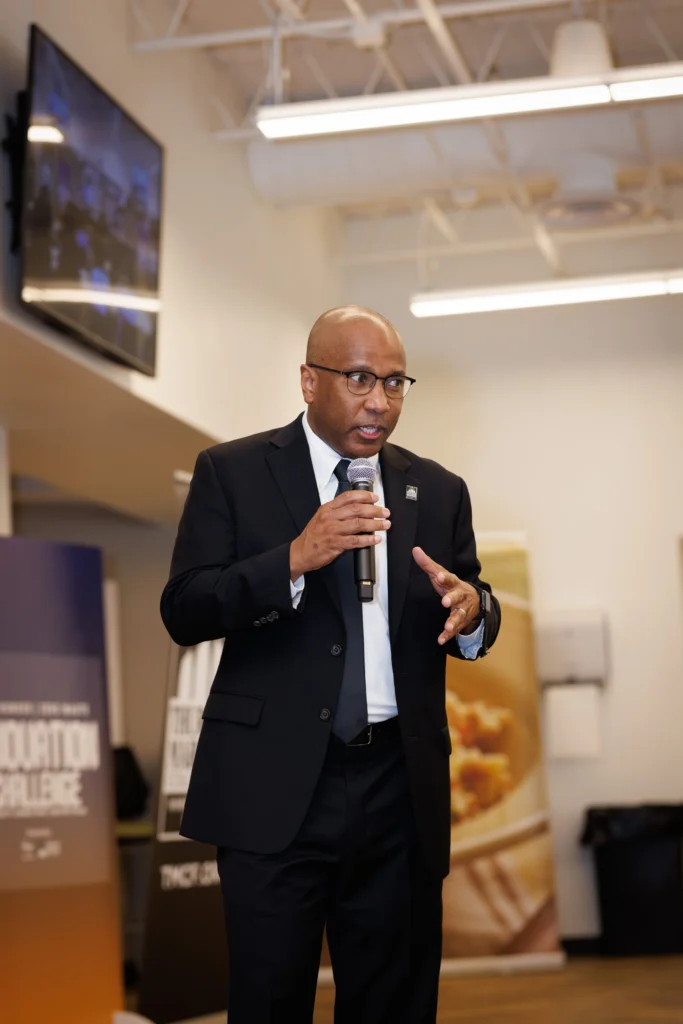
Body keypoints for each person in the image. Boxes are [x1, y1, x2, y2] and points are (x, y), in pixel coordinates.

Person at [161, 306, 501, 1024]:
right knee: (268, 1001)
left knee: (393, 1003)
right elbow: (184, 608)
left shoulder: (437, 490)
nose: (379, 401)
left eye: (394, 382)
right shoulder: (232, 472)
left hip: (396, 788)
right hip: (273, 786)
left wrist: (473, 610)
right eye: (357, 379)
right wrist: (290, 559)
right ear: (309, 381)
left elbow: (475, 597)